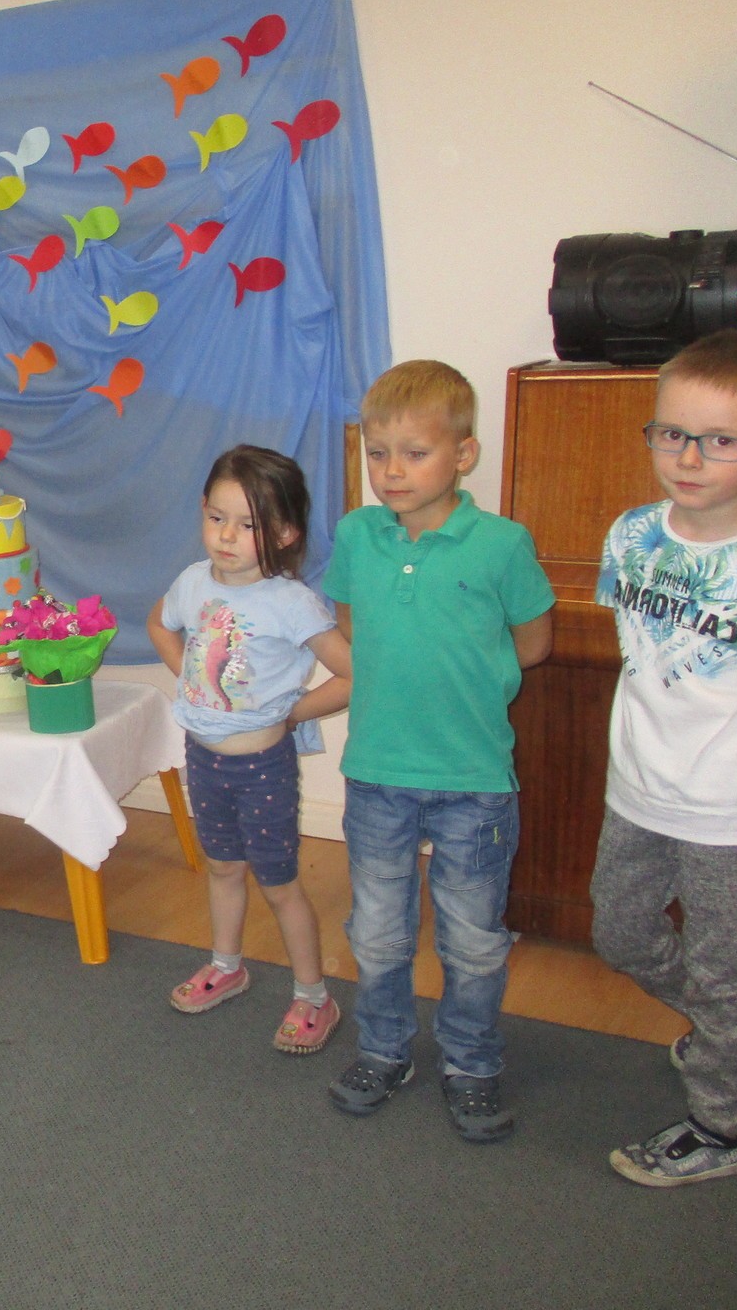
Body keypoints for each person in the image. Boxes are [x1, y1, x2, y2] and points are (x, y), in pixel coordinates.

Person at [321, 360, 554, 1141]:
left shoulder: (502, 544)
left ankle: (472, 1062)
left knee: (473, 939)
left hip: (473, 781)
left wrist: (474, 679)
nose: (391, 470)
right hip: (377, 776)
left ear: (463, 455)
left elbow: (533, 642)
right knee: (377, 931)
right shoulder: (357, 535)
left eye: (414, 453)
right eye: (378, 453)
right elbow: (351, 625)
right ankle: (384, 1050)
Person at [591, 330, 737, 1187]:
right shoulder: (630, 534)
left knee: (723, 969)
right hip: (637, 794)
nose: (690, 457)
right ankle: (726, 1031)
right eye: (672, 433)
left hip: (732, 814)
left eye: (721, 440)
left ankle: (723, 1125)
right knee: (619, 933)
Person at [147, 446, 352, 1053]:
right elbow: (160, 624)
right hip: (204, 758)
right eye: (216, 517)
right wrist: (192, 680)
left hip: (262, 767)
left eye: (247, 524)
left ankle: (314, 996)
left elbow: (354, 674)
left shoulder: (291, 602)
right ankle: (226, 966)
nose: (226, 535)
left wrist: (293, 713)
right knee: (222, 868)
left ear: (285, 533)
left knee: (279, 883)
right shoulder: (192, 582)